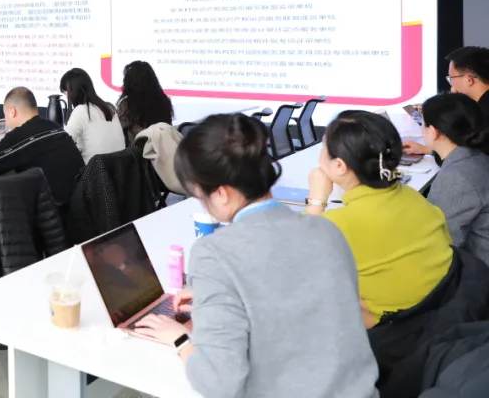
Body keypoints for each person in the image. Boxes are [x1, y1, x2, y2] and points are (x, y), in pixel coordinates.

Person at [133, 114, 378, 398]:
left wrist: (179, 340)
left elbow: (218, 383)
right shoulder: (326, 229)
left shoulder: (214, 254)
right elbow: (310, 305)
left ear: (221, 193)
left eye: (199, 195)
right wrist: (221, 298)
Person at [304, 110, 452, 326]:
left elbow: (295, 262)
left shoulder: (339, 224)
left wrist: (317, 198)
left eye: (323, 149)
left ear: (339, 166)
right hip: (443, 309)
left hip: (395, 329)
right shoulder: (413, 197)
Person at [0, 87, 83, 207]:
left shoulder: (19, 134)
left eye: (5, 114)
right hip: (81, 204)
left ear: (12, 111)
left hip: (56, 211)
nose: (6, 120)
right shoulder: (54, 126)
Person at [421, 92, 489, 266]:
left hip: (476, 272)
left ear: (434, 132)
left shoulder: (457, 177)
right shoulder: (475, 158)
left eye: (423, 123)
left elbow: (441, 244)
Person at [404, 46, 489, 156]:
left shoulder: (483, 115)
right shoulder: (480, 106)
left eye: (451, 78)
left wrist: (454, 103)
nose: (451, 85)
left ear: (468, 80)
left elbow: (469, 156)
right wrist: (427, 150)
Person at [60, 68, 124, 163]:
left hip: (94, 170)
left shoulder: (81, 111)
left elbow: (63, 144)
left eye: (66, 93)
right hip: (118, 169)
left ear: (73, 91)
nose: (67, 97)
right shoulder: (109, 108)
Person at [116, 61, 174, 141]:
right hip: (160, 146)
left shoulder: (127, 104)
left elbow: (118, 129)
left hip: (136, 147)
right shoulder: (164, 101)